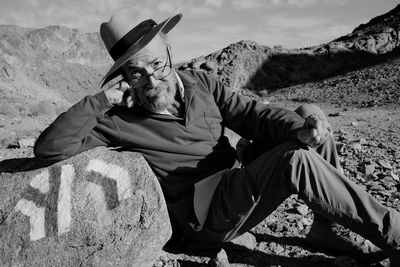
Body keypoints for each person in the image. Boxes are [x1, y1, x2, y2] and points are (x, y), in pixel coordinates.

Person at [34, 7, 400, 265]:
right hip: (207, 213)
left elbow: (253, 115)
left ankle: (328, 228)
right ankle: (394, 233)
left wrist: (301, 129)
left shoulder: (200, 83)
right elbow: (50, 148)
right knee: (295, 161)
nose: (151, 80)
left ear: (170, 54)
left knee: (309, 118)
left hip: (237, 181)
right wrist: (104, 99)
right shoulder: (117, 117)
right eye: (136, 73)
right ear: (124, 78)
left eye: (157, 65)